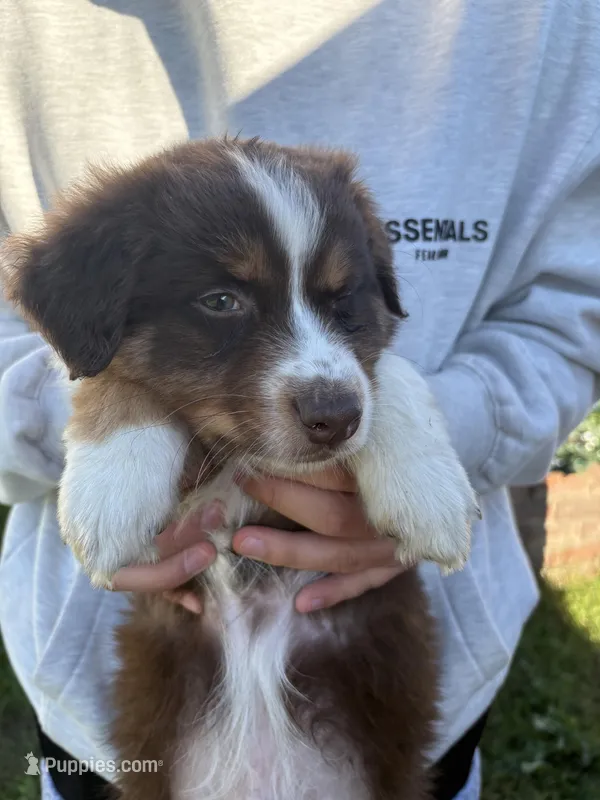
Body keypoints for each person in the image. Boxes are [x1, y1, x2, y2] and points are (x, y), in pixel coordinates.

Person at [1, 1, 599, 799]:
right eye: (224, 303)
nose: (324, 379)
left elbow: (567, 309)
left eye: (338, 300)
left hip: (380, 701)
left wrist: (427, 420)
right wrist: (106, 410)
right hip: (114, 730)